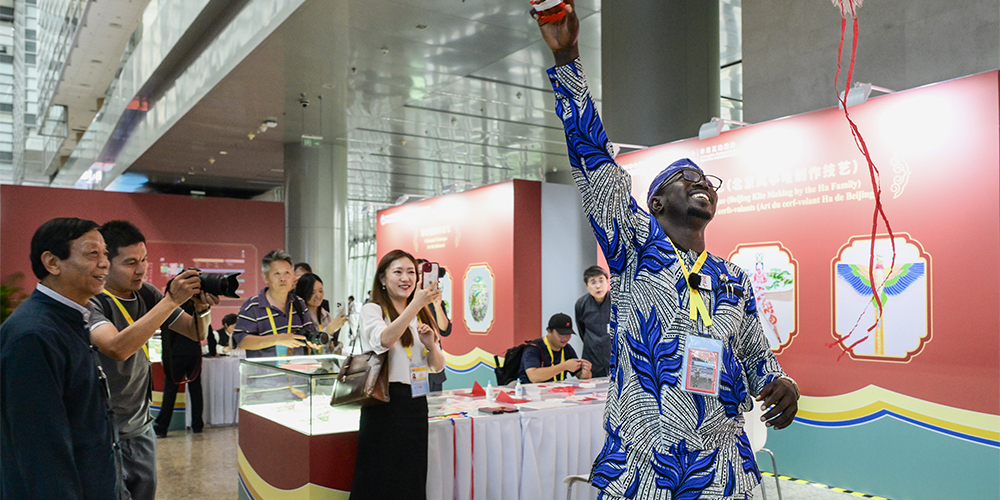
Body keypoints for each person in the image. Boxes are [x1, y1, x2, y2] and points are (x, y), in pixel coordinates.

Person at [534, 4, 799, 498]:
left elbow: (757, 357)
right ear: (655, 202)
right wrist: (568, 59)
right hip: (645, 469)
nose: (702, 183)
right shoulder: (634, 248)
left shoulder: (732, 279)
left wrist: (783, 383)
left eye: (707, 180)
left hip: (721, 469)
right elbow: (594, 163)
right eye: (686, 178)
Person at [88, 220, 216, 499]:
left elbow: (196, 332)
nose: (141, 269)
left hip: (141, 425)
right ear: (106, 262)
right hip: (103, 430)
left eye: (144, 259)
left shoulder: (146, 293)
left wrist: (202, 308)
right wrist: (171, 301)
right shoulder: (92, 300)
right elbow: (116, 348)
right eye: (130, 262)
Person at [1, 218, 119, 499]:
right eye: (92, 254)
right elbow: (40, 447)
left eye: (105, 253)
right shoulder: (33, 335)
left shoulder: (72, 318)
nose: (105, 263)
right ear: (52, 262)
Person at [351, 249, 444, 500]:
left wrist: (431, 345)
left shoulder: (422, 313)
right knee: (379, 477)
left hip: (416, 402)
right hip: (385, 402)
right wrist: (416, 305)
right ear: (383, 278)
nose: (406, 278)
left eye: (411, 272)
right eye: (398, 272)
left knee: (412, 476)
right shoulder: (373, 310)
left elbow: (437, 366)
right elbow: (384, 340)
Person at [234, 250, 315, 357]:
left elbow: (310, 332)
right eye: (277, 273)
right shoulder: (253, 305)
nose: (283, 278)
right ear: (265, 277)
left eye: (287, 273)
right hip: (264, 368)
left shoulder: (298, 303)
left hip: (296, 367)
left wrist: (314, 341)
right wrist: (278, 339)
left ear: (293, 276)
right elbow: (242, 341)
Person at [154, 301, 205, 438]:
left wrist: (165, 357)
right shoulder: (197, 308)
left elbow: (167, 336)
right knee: (196, 390)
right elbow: (206, 329)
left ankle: (162, 427)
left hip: (176, 354)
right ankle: (197, 425)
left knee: (170, 391)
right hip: (194, 354)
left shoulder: (172, 310)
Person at [519, 313, 593, 383]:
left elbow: (580, 375)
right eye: (561, 334)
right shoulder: (534, 348)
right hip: (530, 390)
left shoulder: (567, 348)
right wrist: (564, 366)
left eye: (568, 334)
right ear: (549, 331)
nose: (565, 338)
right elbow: (534, 377)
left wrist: (586, 372)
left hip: (556, 389)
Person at [416, 258, 452, 391]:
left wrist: (437, 306)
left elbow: (445, 330)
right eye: (419, 273)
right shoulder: (405, 302)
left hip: (434, 363)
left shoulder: (434, 300)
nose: (422, 277)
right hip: (414, 364)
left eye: (425, 274)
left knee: (435, 402)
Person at [294, 272, 348, 352]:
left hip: (326, 359)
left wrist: (336, 348)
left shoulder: (325, 314)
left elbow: (329, 344)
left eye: (320, 291)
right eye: (312, 292)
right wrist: (330, 329)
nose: (318, 296)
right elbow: (309, 344)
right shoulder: (299, 316)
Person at [575, 265, 612, 377]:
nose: (598, 286)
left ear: (607, 282)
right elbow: (582, 330)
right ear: (586, 286)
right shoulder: (581, 304)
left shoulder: (617, 302)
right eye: (593, 282)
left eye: (601, 281)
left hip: (615, 357)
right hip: (592, 359)